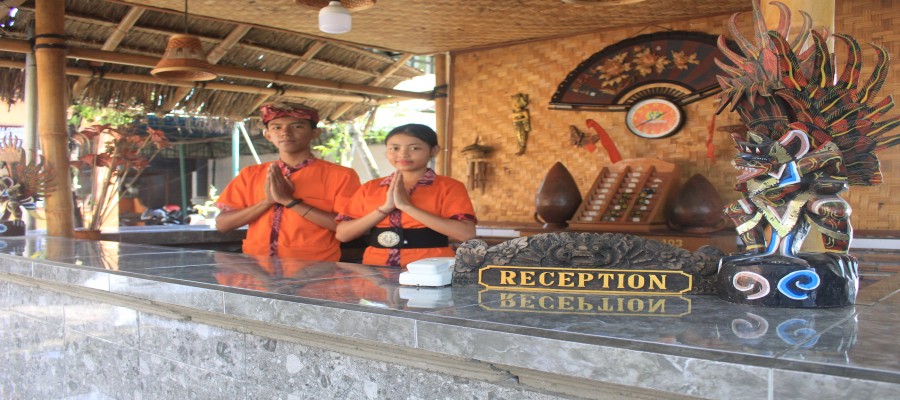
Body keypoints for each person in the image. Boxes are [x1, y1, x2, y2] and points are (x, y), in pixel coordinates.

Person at [215, 104, 360, 261]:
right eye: (276, 127)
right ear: (268, 135)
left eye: (297, 126)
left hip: (314, 267)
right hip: (256, 265)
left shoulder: (341, 175)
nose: (285, 133)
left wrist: (290, 201)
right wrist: (267, 202)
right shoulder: (250, 174)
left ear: (315, 133)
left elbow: (349, 228)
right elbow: (222, 225)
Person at [335, 123, 477, 267]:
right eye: (395, 148)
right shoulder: (370, 187)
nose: (403, 154)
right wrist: (384, 208)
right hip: (375, 268)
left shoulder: (449, 187)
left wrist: (407, 206)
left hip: (431, 269)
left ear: (434, 150)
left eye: (414, 148)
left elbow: (466, 234)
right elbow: (342, 235)